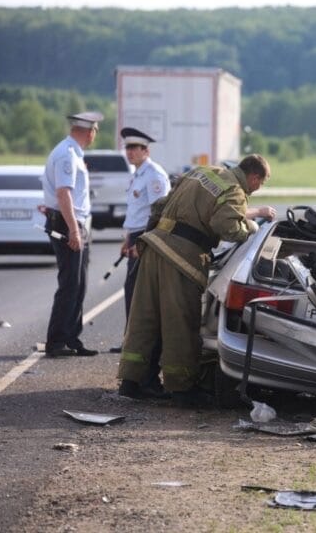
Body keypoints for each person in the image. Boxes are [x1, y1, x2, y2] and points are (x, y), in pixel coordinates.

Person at [117, 154, 277, 406]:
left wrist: (149, 236)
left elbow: (160, 205)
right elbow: (228, 228)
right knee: (181, 322)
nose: (258, 189)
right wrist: (250, 228)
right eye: (262, 183)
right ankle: (182, 389)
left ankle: (132, 382)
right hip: (180, 258)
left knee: (145, 317)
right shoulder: (234, 191)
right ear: (254, 177)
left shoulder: (202, 172)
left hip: (154, 246)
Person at [42, 111, 104, 357]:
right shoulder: (67, 154)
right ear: (90, 131)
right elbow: (63, 194)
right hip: (69, 224)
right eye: (95, 131)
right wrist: (73, 230)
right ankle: (57, 341)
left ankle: (71, 337)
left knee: (78, 284)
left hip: (74, 222)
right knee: (70, 284)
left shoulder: (73, 152)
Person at [109, 127, 171, 354]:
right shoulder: (138, 174)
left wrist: (143, 241)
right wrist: (128, 238)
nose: (129, 152)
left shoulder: (154, 174)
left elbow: (159, 214)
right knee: (132, 291)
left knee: (138, 292)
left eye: (134, 148)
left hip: (147, 236)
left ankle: (138, 344)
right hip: (137, 235)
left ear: (146, 150)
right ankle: (131, 341)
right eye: (127, 147)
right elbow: (137, 211)